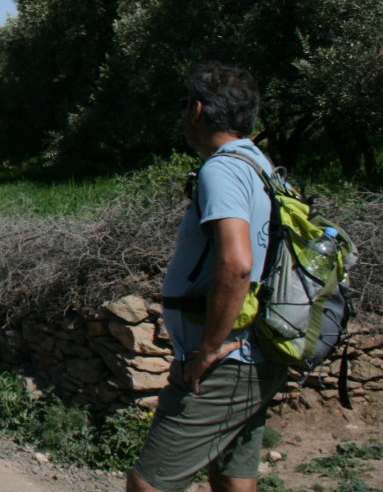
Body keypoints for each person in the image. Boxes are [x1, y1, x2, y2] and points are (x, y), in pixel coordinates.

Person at [127, 63, 287, 492]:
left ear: (197, 110)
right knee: (233, 476)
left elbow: (237, 264)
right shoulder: (260, 164)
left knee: (148, 484)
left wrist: (208, 348)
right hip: (256, 352)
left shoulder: (223, 169)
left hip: (224, 362)